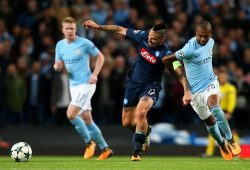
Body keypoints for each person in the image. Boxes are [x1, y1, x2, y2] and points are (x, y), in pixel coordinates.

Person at [83, 20, 191, 161]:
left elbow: (180, 72)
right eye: (149, 37)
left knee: (141, 112)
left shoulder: (166, 53)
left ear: (162, 39)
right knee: (127, 123)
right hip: (133, 84)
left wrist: (186, 91)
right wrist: (98, 26)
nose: (149, 40)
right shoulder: (142, 36)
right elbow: (119, 29)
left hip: (151, 86)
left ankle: (136, 152)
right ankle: (146, 131)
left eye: (153, 39)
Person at [162, 21, 241, 160]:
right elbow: (166, 60)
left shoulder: (211, 42)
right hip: (194, 92)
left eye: (206, 36)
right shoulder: (188, 50)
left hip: (210, 83)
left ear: (211, 34)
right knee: (210, 122)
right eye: (200, 36)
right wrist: (180, 77)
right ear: (195, 34)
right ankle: (222, 144)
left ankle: (231, 140)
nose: (203, 39)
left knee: (216, 109)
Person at [53, 16, 113, 160]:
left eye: (72, 28)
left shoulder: (84, 43)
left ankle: (89, 142)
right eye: (67, 28)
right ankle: (105, 149)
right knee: (86, 119)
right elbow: (57, 64)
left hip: (87, 84)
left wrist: (95, 74)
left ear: (75, 29)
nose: (69, 31)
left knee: (71, 114)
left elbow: (100, 57)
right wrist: (57, 67)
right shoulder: (60, 45)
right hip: (73, 86)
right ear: (62, 30)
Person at [205, 69, 240, 157]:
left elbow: (232, 101)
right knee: (213, 131)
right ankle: (209, 153)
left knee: (233, 132)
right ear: (218, 78)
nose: (223, 78)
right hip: (216, 112)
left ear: (227, 78)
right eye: (221, 77)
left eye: (224, 77)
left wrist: (229, 112)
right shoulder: (215, 87)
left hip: (227, 112)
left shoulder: (231, 88)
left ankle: (237, 153)